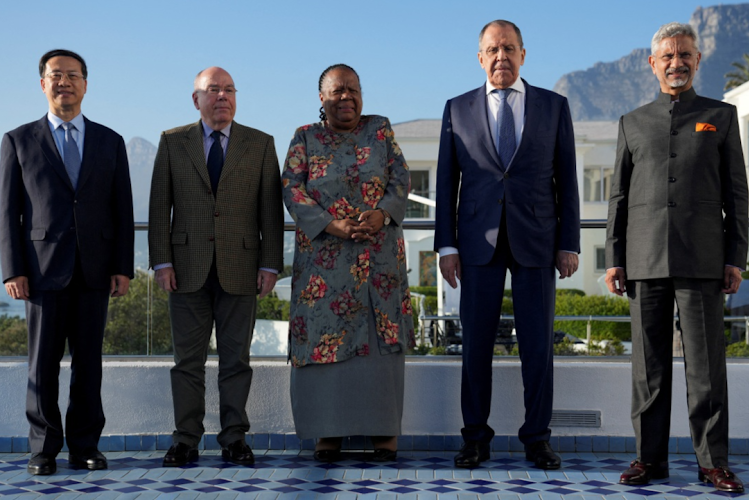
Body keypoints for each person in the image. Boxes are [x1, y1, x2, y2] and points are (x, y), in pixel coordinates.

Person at [605, 22, 747, 493]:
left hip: (704, 259)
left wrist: (736, 257)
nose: (676, 63)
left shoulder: (720, 117)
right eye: (667, 57)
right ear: (653, 64)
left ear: (697, 60)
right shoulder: (631, 122)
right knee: (649, 369)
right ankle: (649, 460)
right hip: (644, 260)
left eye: (684, 55)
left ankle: (713, 463)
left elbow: (737, 195)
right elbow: (618, 200)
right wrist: (615, 258)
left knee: (706, 368)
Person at [435, 20, 580, 469]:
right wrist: (446, 246)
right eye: (493, 49)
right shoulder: (456, 108)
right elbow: (446, 183)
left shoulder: (554, 107)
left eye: (510, 49)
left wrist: (569, 242)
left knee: (537, 347)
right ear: (480, 57)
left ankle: (537, 438)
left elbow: (567, 181)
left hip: (537, 241)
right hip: (477, 244)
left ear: (523, 54)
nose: (502, 57)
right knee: (476, 346)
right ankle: (475, 438)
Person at [0, 49, 134, 475]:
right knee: (41, 365)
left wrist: (123, 266)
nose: (65, 82)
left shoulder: (110, 141)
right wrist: (12, 269)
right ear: (43, 84)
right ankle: (42, 449)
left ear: (86, 84)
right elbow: (6, 213)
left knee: (88, 365)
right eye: (56, 75)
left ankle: (84, 446)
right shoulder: (18, 140)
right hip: (39, 272)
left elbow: (123, 210)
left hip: (95, 271)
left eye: (73, 75)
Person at [148, 67, 284, 467]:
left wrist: (271, 265)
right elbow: (159, 208)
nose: (222, 96)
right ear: (197, 99)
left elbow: (270, 213)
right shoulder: (173, 142)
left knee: (236, 360)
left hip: (242, 267)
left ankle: (234, 438)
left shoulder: (260, 144)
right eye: (213, 90)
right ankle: (186, 439)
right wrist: (161, 262)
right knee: (186, 362)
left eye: (228, 90)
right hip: (185, 268)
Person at [282, 64, 414, 463]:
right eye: (337, 91)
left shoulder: (381, 130)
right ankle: (328, 433)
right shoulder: (305, 137)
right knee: (324, 342)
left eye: (353, 90)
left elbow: (401, 178)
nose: (347, 97)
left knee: (379, 345)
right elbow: (290, 187)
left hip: (379, 261)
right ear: (321, 99)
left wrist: (383, 214)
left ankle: (383, 432)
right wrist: (332, 225)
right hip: (324, 265)